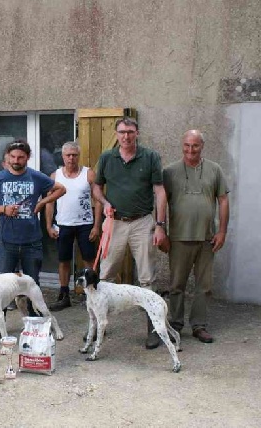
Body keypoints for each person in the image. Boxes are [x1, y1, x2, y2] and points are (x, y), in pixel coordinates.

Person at [92, 117, 168, 349]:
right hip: (115, 223)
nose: (126, 136)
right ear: (116, 133)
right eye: (122, 132)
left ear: (137, 133)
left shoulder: (151, 157)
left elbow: (160, 191)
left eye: (130, 132)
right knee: (104, 276)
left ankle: (154, 329)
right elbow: (96, 187)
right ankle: (96, 328)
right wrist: (104, 202)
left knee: (147, 278)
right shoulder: (107, 157)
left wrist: (160, 224)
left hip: (143, 222)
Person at [0, 139, 66, 320]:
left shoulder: (36, 176)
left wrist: (42, 202)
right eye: (12, 157)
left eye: (20, 157)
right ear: (7, 157)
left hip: (32, 243)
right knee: (1, 289)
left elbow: (61, 189)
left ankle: (35, 325)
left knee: (32, 286)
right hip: (6, 242)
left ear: (27, 158)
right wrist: (4, 209)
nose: (16, 160)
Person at [162, 130, 229, 343]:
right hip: (179, 238)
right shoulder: (170, 171)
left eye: (195, 146)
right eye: (187, 145)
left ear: (202, 146)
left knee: (204, 285)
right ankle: (175, 324)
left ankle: (199, 325)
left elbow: (223, 201)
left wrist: (222, 231)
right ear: (182, 145)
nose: (190, 150)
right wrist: (161, 229)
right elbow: (160, 202)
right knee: (176, 284)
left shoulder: (214, 170)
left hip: (207, 238)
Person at [45, 141, 102, 311]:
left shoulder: (88, 174)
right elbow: (49, 203)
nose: (71, 158)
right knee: (63, 260)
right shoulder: (55, 176)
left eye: (74, 155)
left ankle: (92, 294)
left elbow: (98, 201)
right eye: (68, 155)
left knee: (89, 260)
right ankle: (64, 295)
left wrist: (96, 226)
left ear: (79, 156)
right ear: (62, 156)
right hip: (63, 224)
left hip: (85, 224)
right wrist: (48, 225)